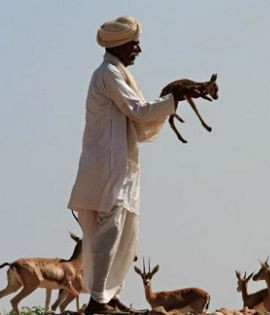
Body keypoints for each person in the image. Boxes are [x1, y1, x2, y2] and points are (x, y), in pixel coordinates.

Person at [68, 16, 197, 314]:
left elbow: (138, 118)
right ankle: (97, 301)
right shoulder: (108, 73)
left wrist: (174, 99)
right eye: (134, 43)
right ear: (120, 44)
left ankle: (109, 296)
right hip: (107, 168)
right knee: (108, 234)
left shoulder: (120, 73)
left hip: (123, 168)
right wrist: (174, 98)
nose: (138, 48)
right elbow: (138, 111)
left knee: (125, 234)